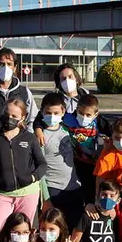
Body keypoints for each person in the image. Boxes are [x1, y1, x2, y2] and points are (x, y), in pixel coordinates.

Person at [0, 98, 47, 235]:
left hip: (28, 193)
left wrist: (32, 177)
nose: (9, 118)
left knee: (23, 233)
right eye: (7, 114)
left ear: (22, 118)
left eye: (14, 116)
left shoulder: (29, 138)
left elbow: (42, 164)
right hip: (2, 193)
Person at [39, 93, 84, 229]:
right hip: (53, 189)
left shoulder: (68, 130)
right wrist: (46, 198)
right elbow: (39, 168)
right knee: (55, 230)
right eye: (48, 113)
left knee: (74, 229)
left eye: (56, 113)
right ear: (41, 111)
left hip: (74, 188)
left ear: (63, 111)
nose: (52, 116)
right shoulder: (40, 136)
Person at [62, 94, 112, 205]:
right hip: (72, 163)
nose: (84, 117)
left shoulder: (100, 122)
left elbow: (113, 135)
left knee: (90, 193)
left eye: (88, 115)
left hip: (92, 164)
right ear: (76, 109)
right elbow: (45, 116)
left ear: (96, 114)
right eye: (81, 113)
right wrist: (38, 129)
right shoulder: (67, 119)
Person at [0, 47, 37, 132]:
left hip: (18, 139)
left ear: (15, 67)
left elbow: (32, 120)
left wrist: (28, 136)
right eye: (1, 64)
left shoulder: (25, 92)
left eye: (9, 64)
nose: (5, 68)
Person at [34, 62, 91, 146]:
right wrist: (38, 130)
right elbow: (40, 117)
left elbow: (97, 119)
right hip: (62, 144)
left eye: (70, 76)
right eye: (63, 78)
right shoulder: (55, 99)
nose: (67, 80)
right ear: (59, 83)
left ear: (76, 78)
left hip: (85, 144)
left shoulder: (87, 99)